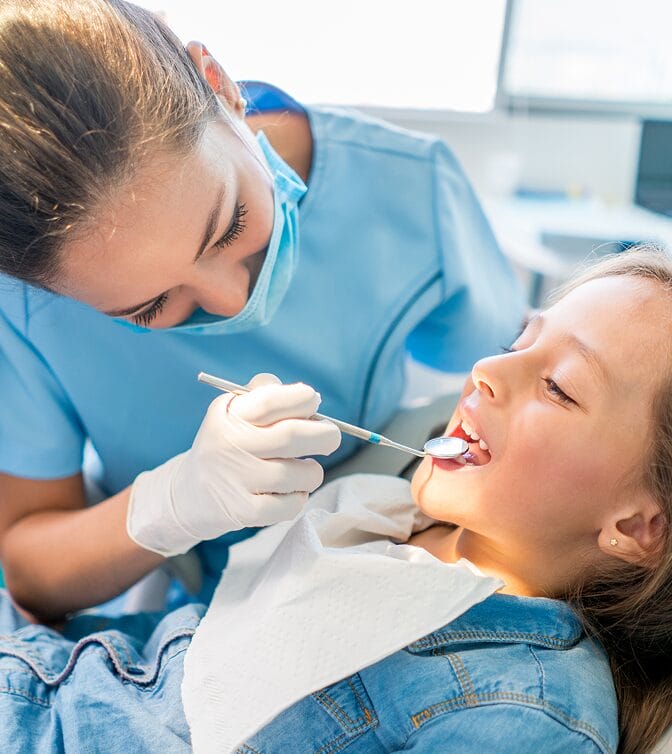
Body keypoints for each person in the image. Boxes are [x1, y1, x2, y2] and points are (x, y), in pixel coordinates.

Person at [0, 246, 671, 754]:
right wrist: (175, 501)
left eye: (558, 386)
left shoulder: (528, 713)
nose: (487, 372)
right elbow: (178, 665)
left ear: (638, 526)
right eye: (517, 344)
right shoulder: (382, 517)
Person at [0, 0, 525, 620]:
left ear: (219, 86)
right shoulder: (25, 308)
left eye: (231, 225)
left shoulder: (410, 186)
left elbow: (507, 397)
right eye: (149, 307)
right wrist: (171, 505)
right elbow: (31, 570)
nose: (231, 301)